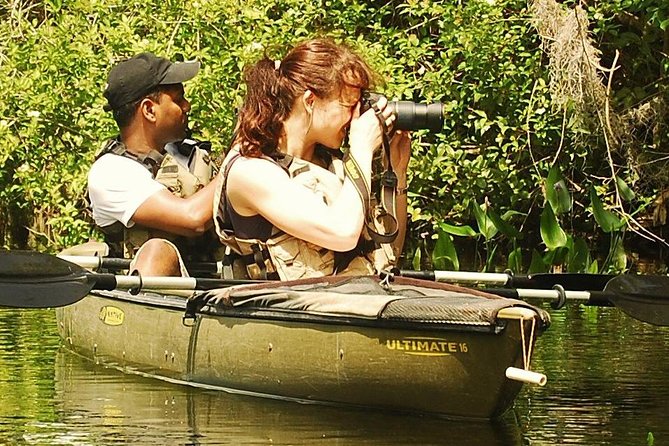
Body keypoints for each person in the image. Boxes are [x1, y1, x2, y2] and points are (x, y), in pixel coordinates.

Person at [214, 38, 410, 280]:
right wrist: (361, 147)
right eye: (350, 105)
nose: (356, 118)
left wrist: (398, 175)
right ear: (309, 101)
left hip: (358, 305)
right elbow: (343, 233)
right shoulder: (250, 171)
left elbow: (389, 254)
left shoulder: (333, 165)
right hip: (289, 315)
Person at [88, 52, 221, 277]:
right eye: (178, 99)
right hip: (158, 298)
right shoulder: (111, 173)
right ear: (149, 110)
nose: (187, 106)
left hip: (214, 286)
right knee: (156, 251)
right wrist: (240, 159)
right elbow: (192, 219)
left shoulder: (190, 153)